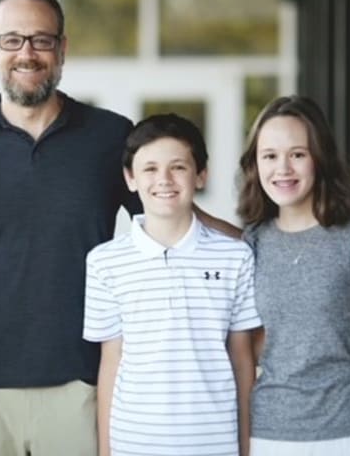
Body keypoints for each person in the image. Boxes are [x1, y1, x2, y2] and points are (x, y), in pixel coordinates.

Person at [0, 0, 240, 456]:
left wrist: (255, 243)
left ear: (62, 50)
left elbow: (174, 216)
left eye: (41, 40)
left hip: (79, 383)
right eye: (12, 40)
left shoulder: (110, 137)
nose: (27, 53)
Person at [237, 95, 350, 456]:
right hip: (270, 435)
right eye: (270, 156)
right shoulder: (250, 243)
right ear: (256, 164)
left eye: (298, 154)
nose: (282, 168)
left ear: (321, 159)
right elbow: (252, 350)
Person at [83, 114, 262, 456]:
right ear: (130, 179)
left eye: (178, 167)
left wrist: (245, 446)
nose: (163, 179)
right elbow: (111, 362)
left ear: (201, 176)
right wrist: (106, 451)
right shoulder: (104, 262)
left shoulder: (235, 256)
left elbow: (242, 361)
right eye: (149, 168)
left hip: (215, 444)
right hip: (134, 444)